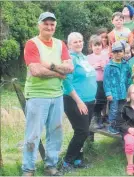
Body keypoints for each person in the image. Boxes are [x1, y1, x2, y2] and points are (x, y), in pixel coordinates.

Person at [22, 12, 73, 176]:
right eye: (46, 24)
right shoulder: (32, 44)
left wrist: (49, 65)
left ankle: (51, 166)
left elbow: (70, 68)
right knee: (33, 134)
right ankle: (28, 169)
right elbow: (35, 70)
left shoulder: (60, 44)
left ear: (55, 26)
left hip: (57, 94)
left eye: (52, 24)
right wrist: (59, 72)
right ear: (39, 25)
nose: (49, 27)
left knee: (56, 132)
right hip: (37, 95)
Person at [61, 32, 97, 172]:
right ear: (69, 45)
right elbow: (67, 83)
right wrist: (79, 101)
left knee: (83, 131)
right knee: (81, 131)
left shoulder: (83, 57)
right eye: (75, 42)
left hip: (89, 100)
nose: (79, 43)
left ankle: (78, 160)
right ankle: (67, 162)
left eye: (80, 41)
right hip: (75, 101)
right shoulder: (69, 59)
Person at [103, 41, 131, 134]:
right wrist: (108, 93)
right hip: (113, 93)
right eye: (115, 52)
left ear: (123, 52)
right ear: (112, 53)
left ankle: (119, 126)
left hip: (123, 92)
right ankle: (112, 126)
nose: (117, 53)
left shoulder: (126, 65)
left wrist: (128, 92)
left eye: (119, 51)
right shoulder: (109, 66)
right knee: (113, 110)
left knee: (121, 109)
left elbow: (128, 78)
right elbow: (106, 81)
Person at [87, 35, 109, 129]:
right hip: (93, 82)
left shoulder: (105, 56)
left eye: (99, 45)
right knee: (97, 101)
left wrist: (105, 67)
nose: (97, 47)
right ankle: (94, 119)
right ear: (91, 46)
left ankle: (101, 119)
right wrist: (93, 67)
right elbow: (86, 70)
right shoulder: (88, 57)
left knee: (103, 100)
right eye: (95, 45)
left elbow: (109, 68)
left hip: (104, 82)